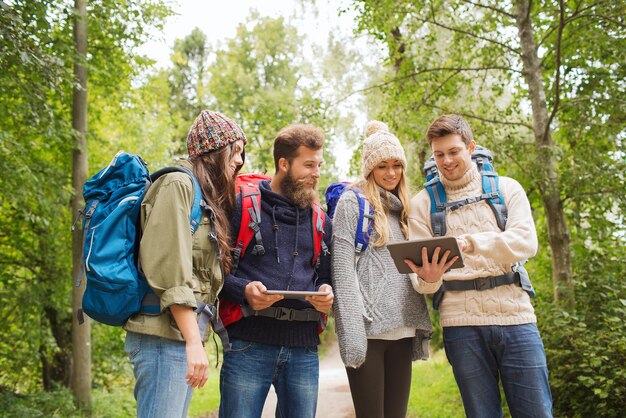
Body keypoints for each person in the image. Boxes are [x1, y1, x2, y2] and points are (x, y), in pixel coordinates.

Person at [406, 114, 553, 418]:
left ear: (470, 147)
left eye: (454, 151)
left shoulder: (507, 188)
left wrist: (472, 242)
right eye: (439, 154)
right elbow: (420, 282)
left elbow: (526, 242)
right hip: (461, 325)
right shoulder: (422, 204)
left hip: (517, 318)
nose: (446, 161)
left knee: (537, 412)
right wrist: (430, 279)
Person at [123, 110, 247, 418]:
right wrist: (193, 340)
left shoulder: (201, 195)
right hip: (163, 339)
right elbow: (168, 269)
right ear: (214, 151)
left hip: (175, 337)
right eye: (235, 151)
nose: (240, 161)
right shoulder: (177, 185)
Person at [218, 124, 334, 418]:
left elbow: (325, 276)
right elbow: (213, 272)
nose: (317, 173)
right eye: (308, 165)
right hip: (248, 343)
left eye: (319, 165)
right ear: (284, 164)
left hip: (303, 348)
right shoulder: (240, 205)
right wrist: (242, 291)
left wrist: (325, 291)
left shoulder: (321, 219)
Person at [331, 121, 432, 418]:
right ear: (369, 169)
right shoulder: (353, 202)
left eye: (396, 165)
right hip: (369, 333)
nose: (391, 173)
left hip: (402, 330)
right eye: (382, 166)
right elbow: (342, 271)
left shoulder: (405, 210)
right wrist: (351, 334)